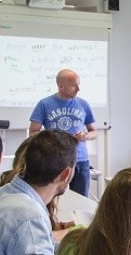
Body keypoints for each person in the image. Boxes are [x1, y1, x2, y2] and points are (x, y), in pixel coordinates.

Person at [29, 68, 97, 197]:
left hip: (80, 161)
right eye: (74, 86)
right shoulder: (44, 104)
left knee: (80, 200)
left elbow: (94, 131)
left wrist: (85, 136)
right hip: (54, 160)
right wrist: (51, 139)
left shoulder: (83, 104)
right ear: (61, 86)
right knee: (53, 199)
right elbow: (33, 132)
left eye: (79, 85)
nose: (78, 89)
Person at [0, 137, 74, 241]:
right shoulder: (29, 214)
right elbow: (32, 235)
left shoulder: (6, 191)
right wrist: (70, 233)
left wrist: (57, 228)